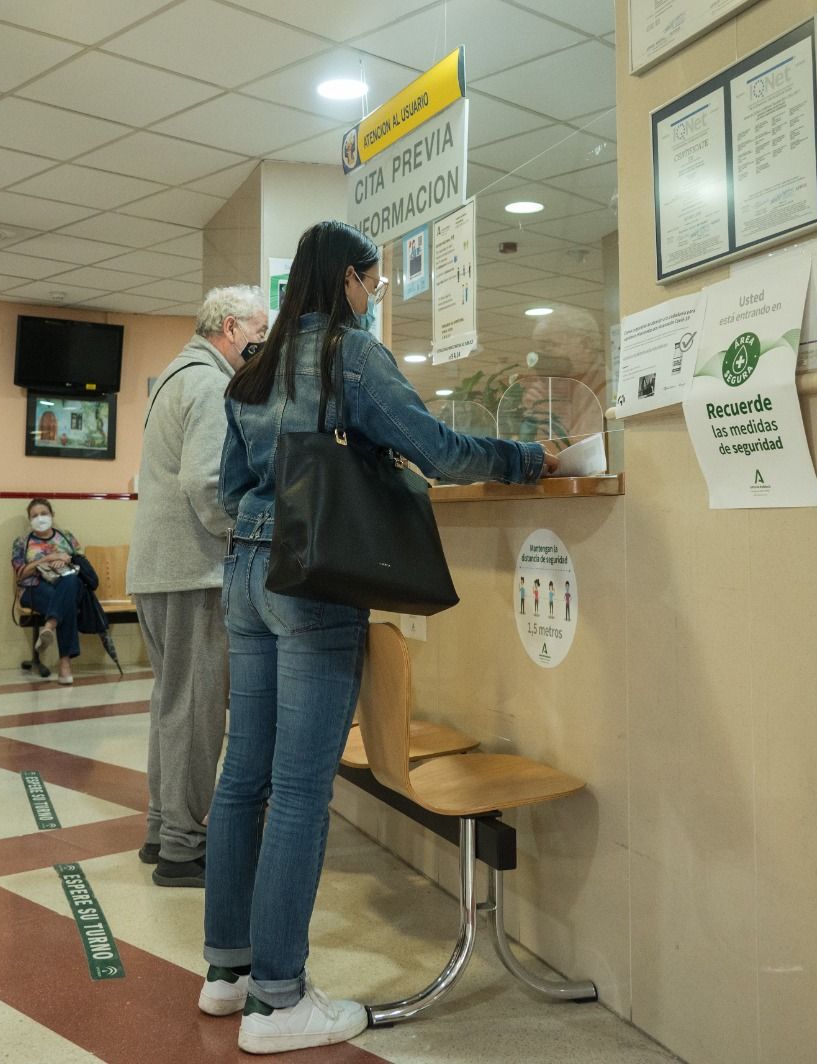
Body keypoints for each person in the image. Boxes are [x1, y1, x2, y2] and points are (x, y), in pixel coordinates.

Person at [200, 220, 558, 1054]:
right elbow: (434, 449)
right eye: (375, 282)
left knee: (242, 776)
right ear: (352, 282)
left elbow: (230, 488)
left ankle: (229, 972)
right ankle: (280, 1000)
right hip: (315, 580)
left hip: (246, 574)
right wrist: (525, 461)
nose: (376, 296)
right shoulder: (349, 355)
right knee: (296, 789)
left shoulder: (252, 365)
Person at [129, 284, 266, 888]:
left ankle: (163, 828)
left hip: (159, 570)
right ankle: (184, 849)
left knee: (173, 702)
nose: (262, 344)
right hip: (193, 569)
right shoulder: (211, 384)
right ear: (232, 329)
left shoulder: (172, 378)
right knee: (196, 707)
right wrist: (244, 532)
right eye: (258, 332)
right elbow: (207, 483)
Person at [12, 499, 82, 685]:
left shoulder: (66, 537)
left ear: (52, 515)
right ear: (29, 520)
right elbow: (20, 573)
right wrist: (47, 559)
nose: (40, 518)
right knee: (66, 604)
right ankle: (65, 665)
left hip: (64, 584)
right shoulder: (22, 542)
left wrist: (65, 560)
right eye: (35, 515)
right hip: (33, 589)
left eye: (44, 513)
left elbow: (81, 563)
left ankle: (49, 625)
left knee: (70, 582)